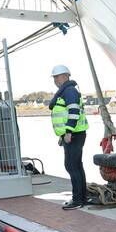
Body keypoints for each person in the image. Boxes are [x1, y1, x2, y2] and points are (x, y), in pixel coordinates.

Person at [49, 64, 90, 209]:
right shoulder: (66, 91)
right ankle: (82, 198)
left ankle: (78, 200)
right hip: (74, 135)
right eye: (54, 77)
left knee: (72, 166)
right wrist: (63, 135)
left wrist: (68, 131)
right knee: (77, 166)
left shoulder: (69, 91)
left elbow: (73, 112)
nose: (55, 80)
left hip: (74, 135)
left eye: (57, 77)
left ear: (66, 76)